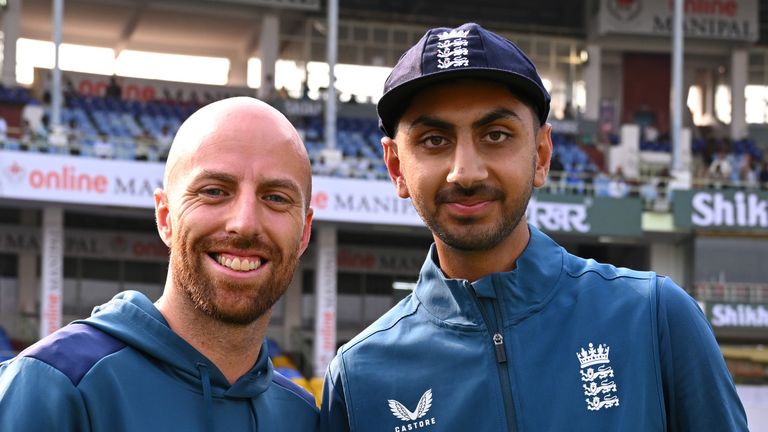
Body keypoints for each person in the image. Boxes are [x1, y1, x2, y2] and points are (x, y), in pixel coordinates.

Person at [320, 23, 747, 431]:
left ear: (541, 155)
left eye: (496, 135)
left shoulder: (654, 317)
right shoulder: (359, 377)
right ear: (396, 166)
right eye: (435, 140)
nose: (465, 173)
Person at [0, 97, 319, 431]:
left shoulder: (300, 416)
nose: (245, 223)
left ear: (303, 233)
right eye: (214, 191)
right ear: (165, 217)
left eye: (276, 198)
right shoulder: (56, 385)